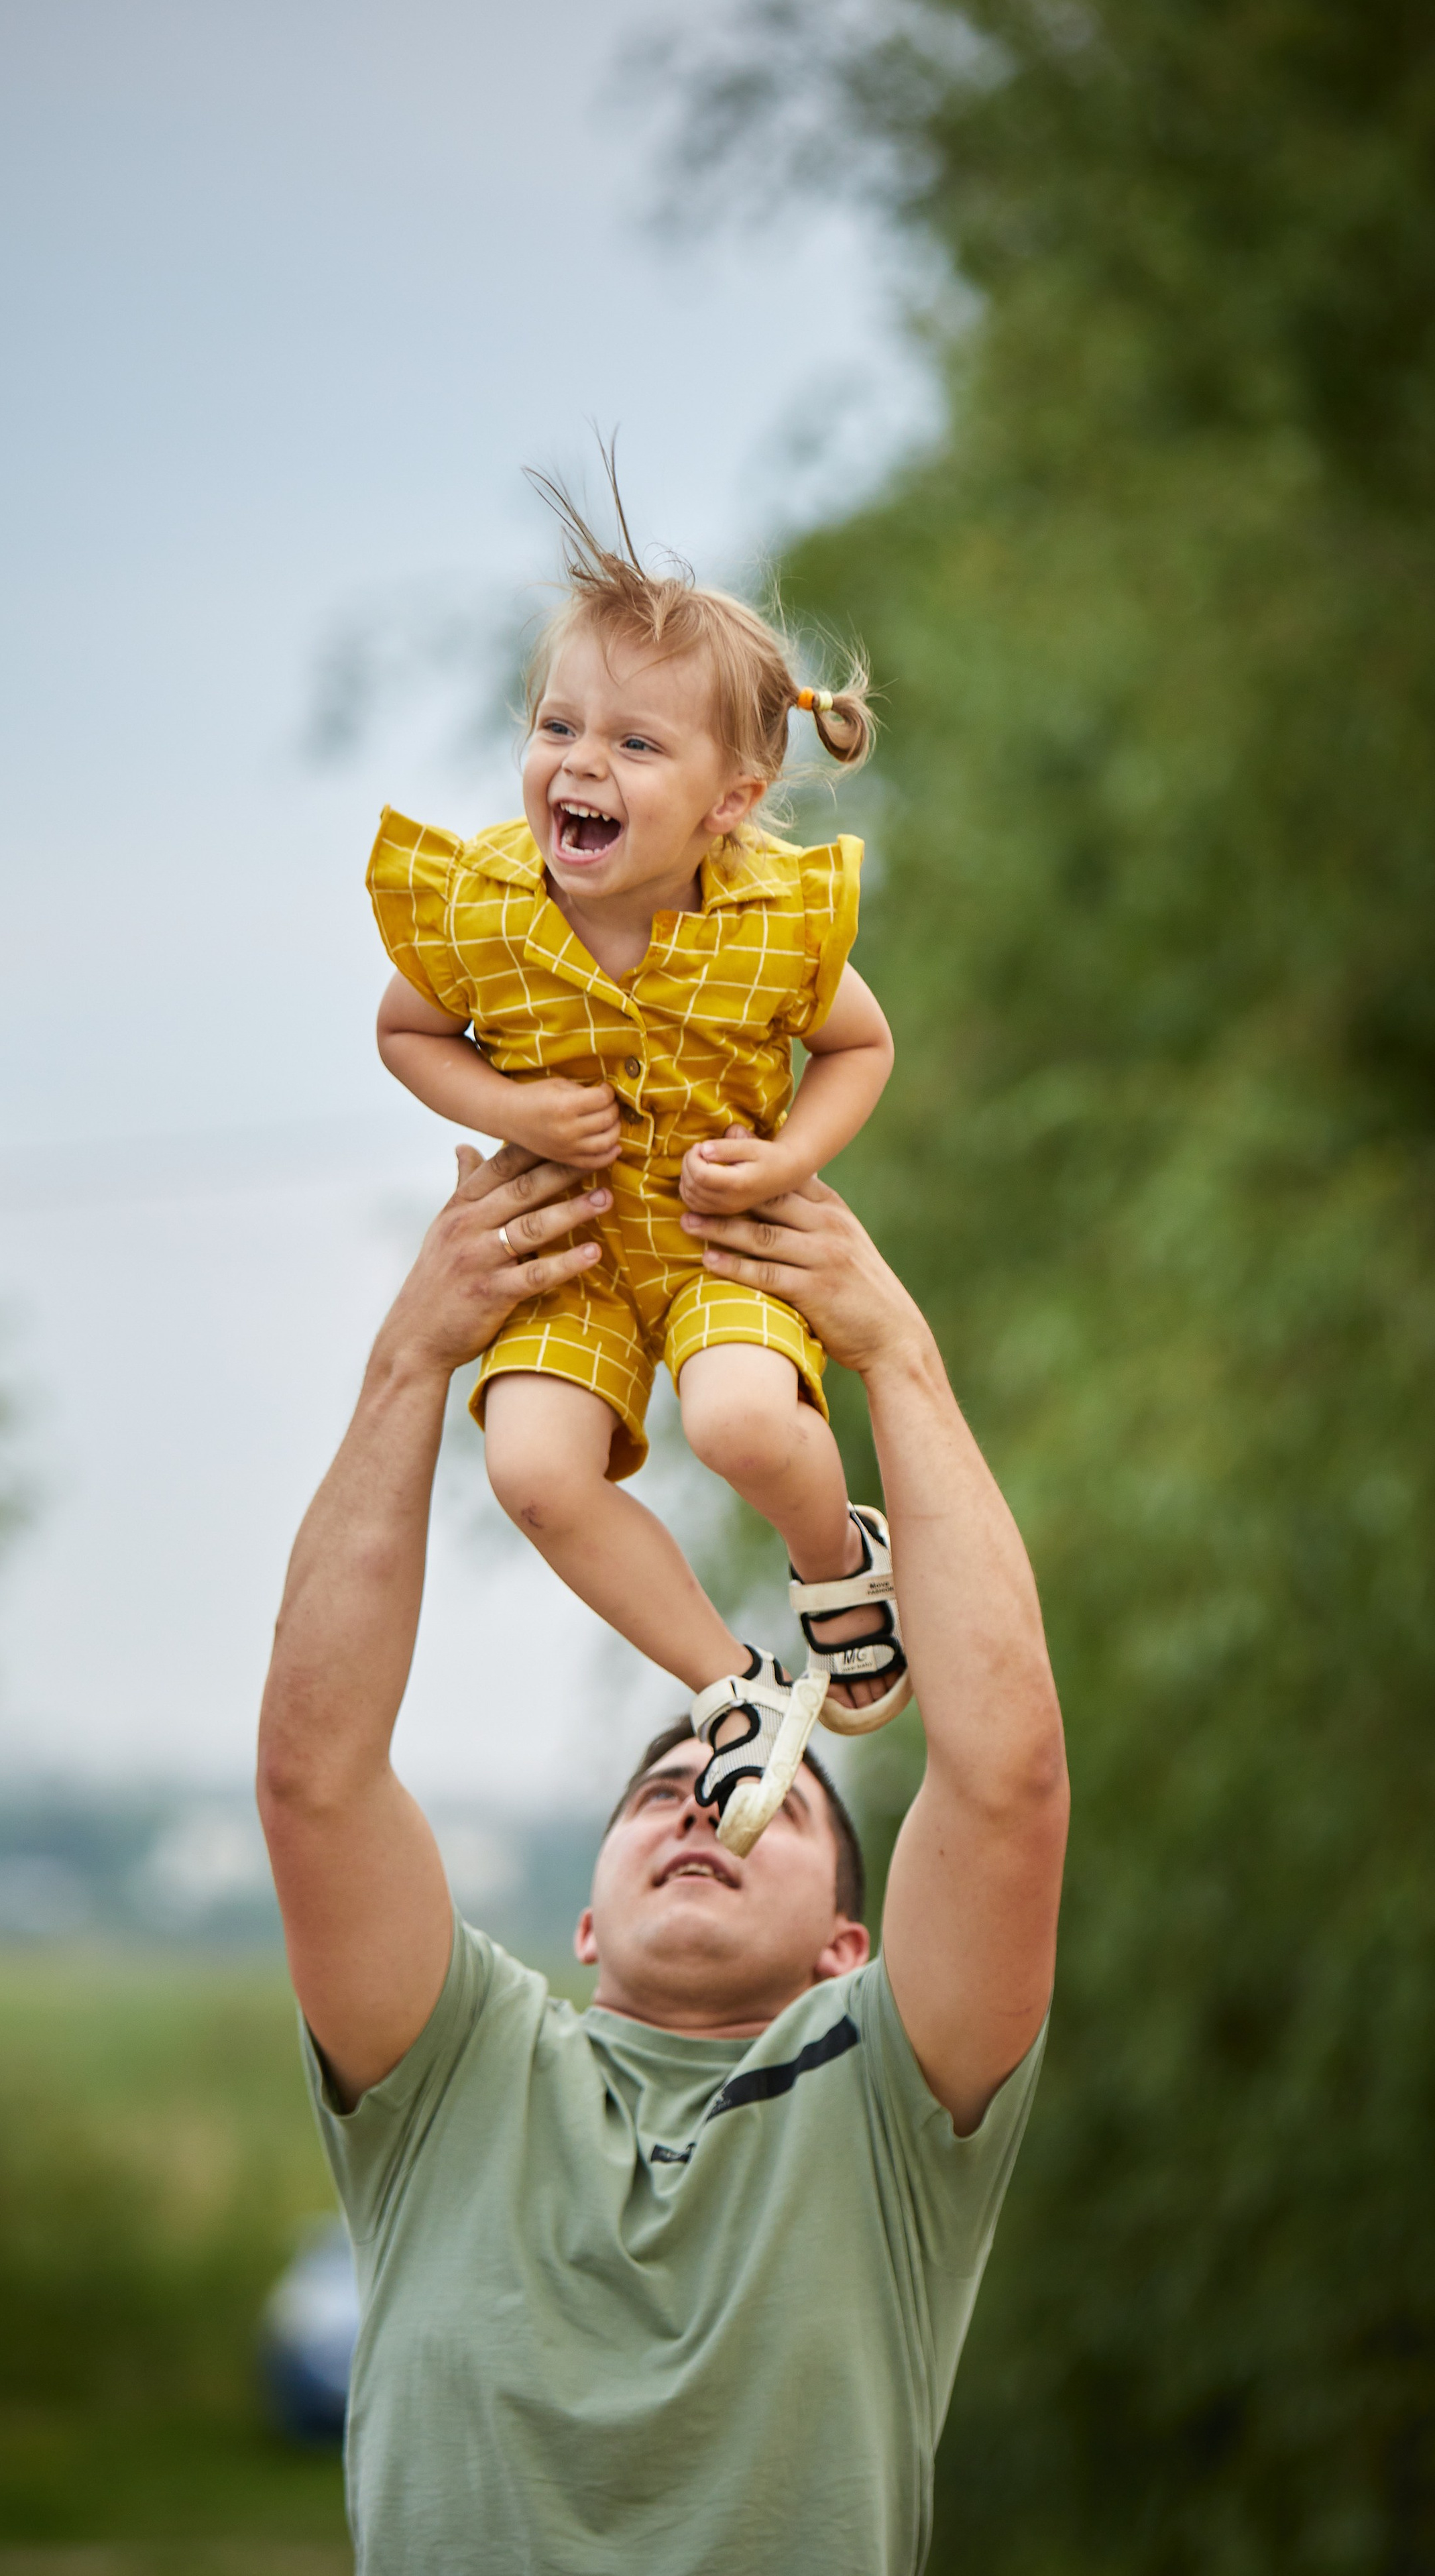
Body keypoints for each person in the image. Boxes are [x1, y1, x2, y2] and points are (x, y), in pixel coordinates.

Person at [257, 1145, 1069, 2576]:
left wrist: (892, 1356)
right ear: (583, 1921)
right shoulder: (453, 2072)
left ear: (846, 1949)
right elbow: (314, 1778)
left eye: (771, 1805)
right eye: (660, 1791)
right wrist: (409, 1366)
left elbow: (1005, 1784)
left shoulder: (889, 2103)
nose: (701, 1801)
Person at [368, 484, 903, 1851]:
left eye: (631, 741)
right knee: (532, 1471)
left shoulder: (772, 925)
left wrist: (784, 1155)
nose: (577, 763)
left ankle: (836, 1559)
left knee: (734, 1421)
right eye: (556, 726)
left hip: (717, 1233)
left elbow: (859, 1049)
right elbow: (405, 1032)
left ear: (727, 801)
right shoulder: (482, 910)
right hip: (569, 1246)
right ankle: (730, 1689)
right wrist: (514, 1111)